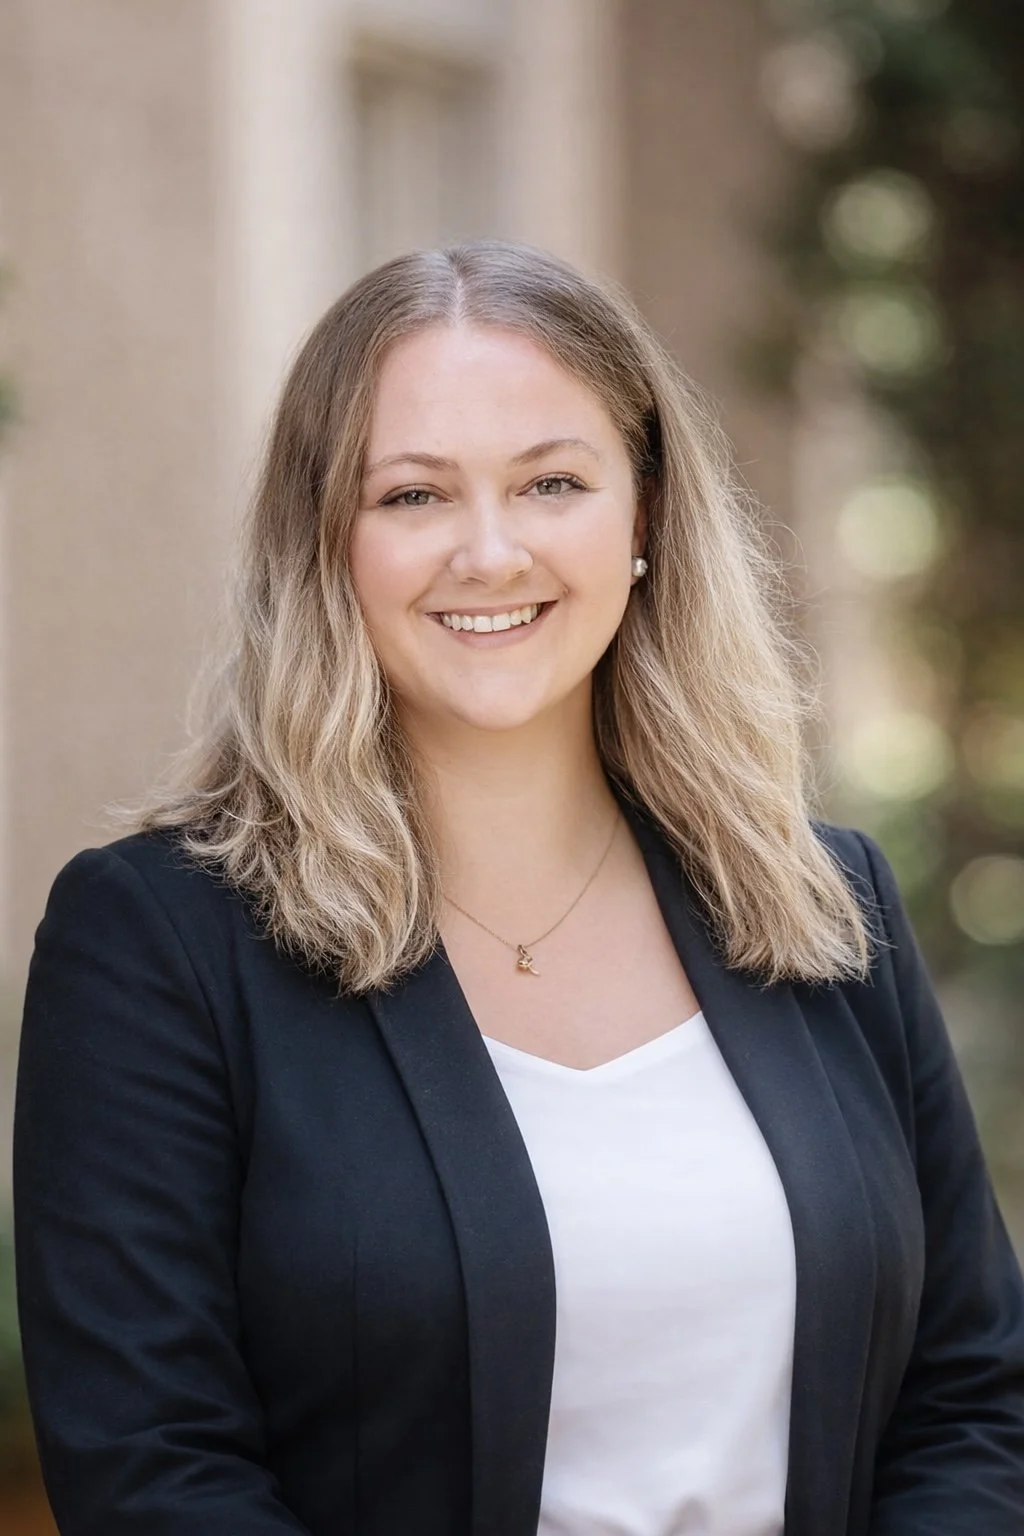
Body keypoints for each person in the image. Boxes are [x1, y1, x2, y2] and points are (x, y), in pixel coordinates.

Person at [13, 239, 1024, 1536]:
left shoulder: (823, 903)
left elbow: (971, 1397)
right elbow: (155, 1466)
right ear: (326, 538)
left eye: (551, 482)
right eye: (415, 496)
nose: (488, 553)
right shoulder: (159, 944)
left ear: (644, 512)